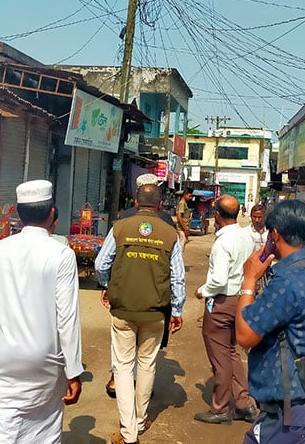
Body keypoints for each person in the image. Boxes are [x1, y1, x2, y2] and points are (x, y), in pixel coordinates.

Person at [0, 180, 83, 443]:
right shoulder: (61, 254)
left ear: (19, 215)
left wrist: (8, 316)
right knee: (44, 432)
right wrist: (73, 371)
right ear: (52, 214)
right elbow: (67, 318)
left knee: (3, 432)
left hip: (3, 359)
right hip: (45, 360)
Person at [95, 183, 186, 444]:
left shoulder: (119, 228)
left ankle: (128, 431)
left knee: (123, 368)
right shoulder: (170, 233)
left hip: (122, 309)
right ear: (160, 206)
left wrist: (106, 285)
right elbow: (177, 276)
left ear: (136, 203)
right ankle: (140, 420)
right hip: (156, 312)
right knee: (147, 365)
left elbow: (102, 264)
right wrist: (177, 310)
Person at [236, 200, 305, 444]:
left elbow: (245, 335)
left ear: (274, 234)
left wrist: (248, 281)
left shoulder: (288, 280)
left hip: (290, 413)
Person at [105, 173, 174, 399]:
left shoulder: (123, 218)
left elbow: (105, 261)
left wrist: (107, 284)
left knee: (123, 348)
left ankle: (117, 380)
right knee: (148, 357)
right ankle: (142, 399)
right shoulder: (166, 221)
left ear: (136, 197)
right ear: (158, 197)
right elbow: (175, 269)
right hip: (155, 298)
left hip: (124, 293)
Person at [194, 195, 258, 425]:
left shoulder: (223, 242)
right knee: (231, 352)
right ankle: (244, 403)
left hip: (222, 300)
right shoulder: (246, 237)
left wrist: (202, 291)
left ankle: (220, 407)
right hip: (241, 299)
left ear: (217, 215)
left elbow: (218, 280)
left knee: (220, 357)